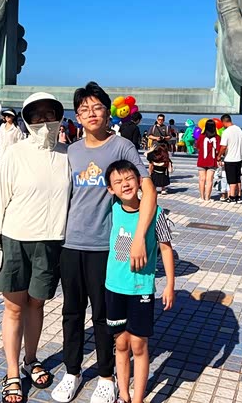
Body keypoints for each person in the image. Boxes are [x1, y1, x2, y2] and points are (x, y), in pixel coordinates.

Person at [52, 82, 157, 403]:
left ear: (107, 111)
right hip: (71, 244)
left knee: (104, 315)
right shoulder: (71, 151)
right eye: (84, 109)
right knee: (71, 311)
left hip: (106, 247)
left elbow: (148, 189)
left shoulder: (121, 146)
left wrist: (139, 238)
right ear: (77, 116)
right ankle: (72, 371)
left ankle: (106, 376)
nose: (91, 113)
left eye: (97, 107)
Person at [0, 92, 70, 403]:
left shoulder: (67, 155)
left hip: (51, 242)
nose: (44, 120)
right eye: (36, 114)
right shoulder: (15, 154)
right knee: (14, 307)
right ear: (27, 119)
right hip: (15, 240)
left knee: (37, 305)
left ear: (59, 117)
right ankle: (11, 372)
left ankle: (30, 359)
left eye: (50, 113)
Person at [104, 160, 175, 403]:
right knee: (121, 343)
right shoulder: (112, 208)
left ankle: (138, 399)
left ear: (139, 181)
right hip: (114, 287)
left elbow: (165, 248)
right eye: (118, 182)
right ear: (111, 189)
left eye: (129, 179)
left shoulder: (156, 213)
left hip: (141, 289)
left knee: (138, 344)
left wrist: (170, 285)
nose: (125, 185)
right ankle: (123, 394)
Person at [219, 114, 242, 204]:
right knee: (237, 178)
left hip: (230, 158)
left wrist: (219, 156)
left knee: (231, 180)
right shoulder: (239, 129)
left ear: (224, 121)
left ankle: (232, 197)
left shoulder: (226, 132)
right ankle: (239, 196)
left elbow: (223, 146)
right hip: (239, 158)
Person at [196, 119, 220, 202]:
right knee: (209, 180)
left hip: (202, 160)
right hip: (212, 161)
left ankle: (201, 197)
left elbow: (198, 147)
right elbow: (218, 149)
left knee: (202, 179)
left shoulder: (201, 136)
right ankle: (207, 198)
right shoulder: (217, 138)